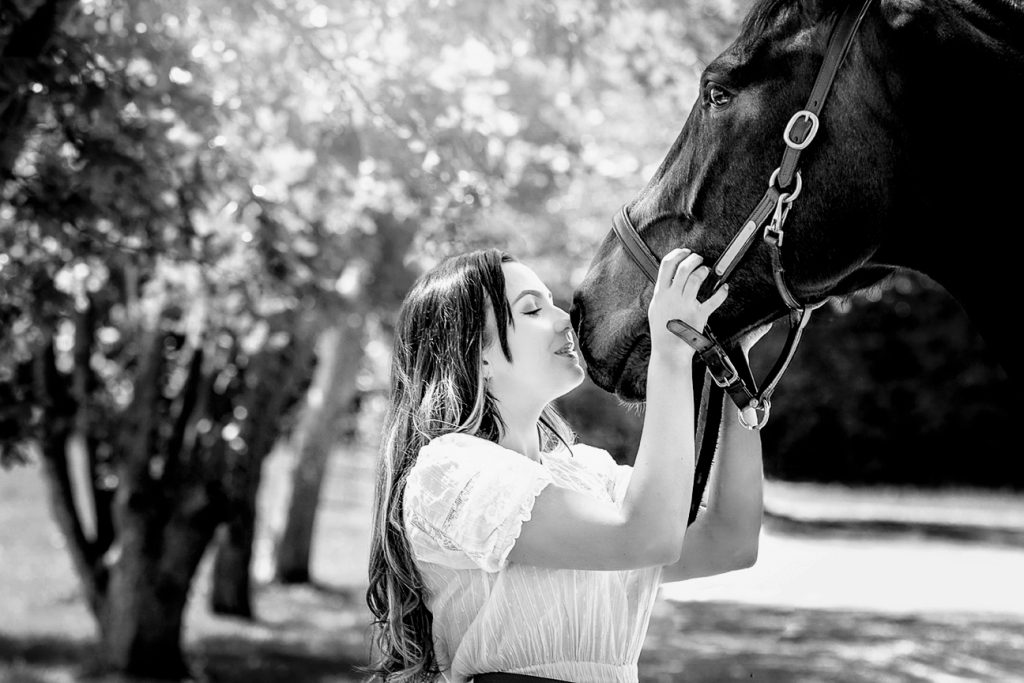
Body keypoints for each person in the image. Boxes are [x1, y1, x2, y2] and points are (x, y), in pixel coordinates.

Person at [366, 247, 766, 682]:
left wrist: (732, 360)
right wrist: (669, 351)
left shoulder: (586, 473)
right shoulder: (450, 471)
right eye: (532, 309)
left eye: (552, 302)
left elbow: (730, 542)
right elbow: (646, 537)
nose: (563, 319)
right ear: (478, 355)